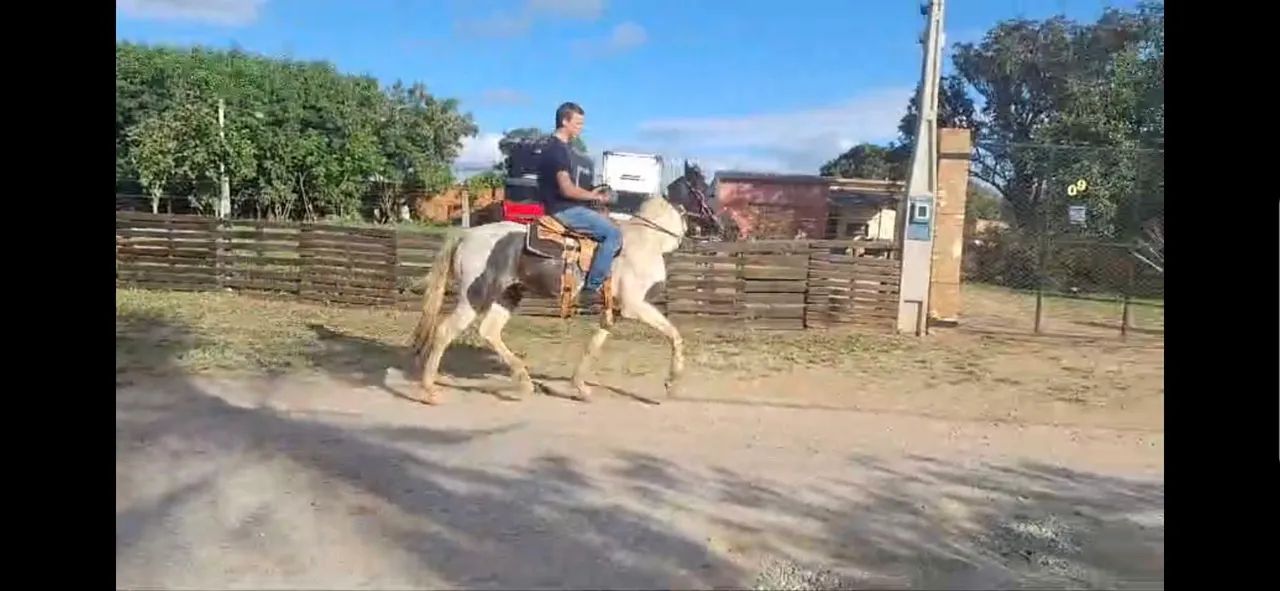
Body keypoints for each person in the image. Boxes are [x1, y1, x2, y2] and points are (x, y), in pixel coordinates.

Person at [537, 101, 621, 298]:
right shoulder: (556, 150)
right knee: (613, 234)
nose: (581, 128)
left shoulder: (565, 149)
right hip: (563, 209)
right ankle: (591, 289)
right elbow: (567, 189)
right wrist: (597, 197)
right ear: (565, 121)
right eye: (578, 123)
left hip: (568, 206)